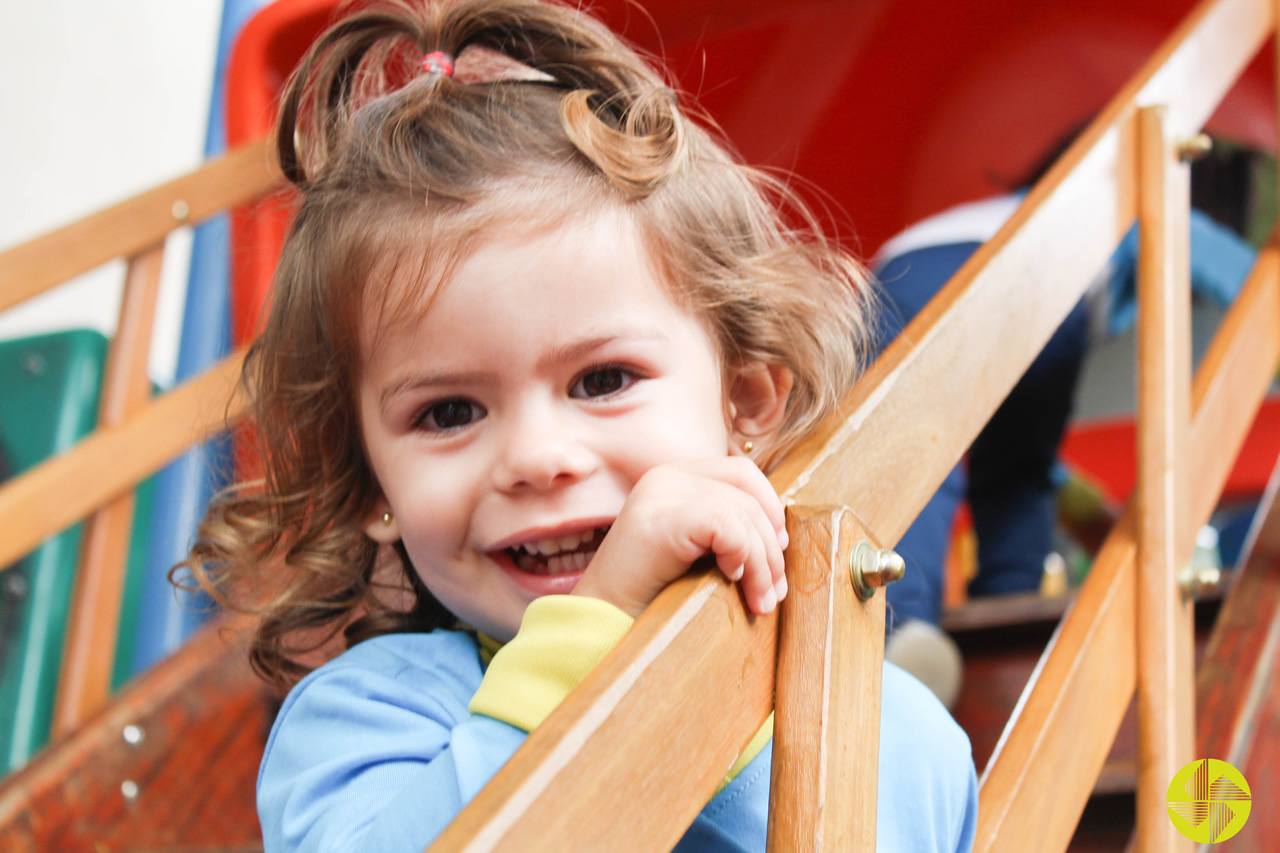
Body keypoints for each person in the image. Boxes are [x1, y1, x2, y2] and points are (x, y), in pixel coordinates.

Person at [180, 1, 978, 851]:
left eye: (602, 380)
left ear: (745, 401)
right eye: (448, 412)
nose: (535, 457)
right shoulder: (367, 725)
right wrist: (600, 623)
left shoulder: (902, 733)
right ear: (372, 482)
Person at [876, 169, 1257, 709]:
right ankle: (1004, 621)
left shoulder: (1016, 210)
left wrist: (1075, 497)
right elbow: (1232, 269)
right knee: (1012, 481)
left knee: (908, 452)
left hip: (898, 274)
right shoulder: (1123, 191)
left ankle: (904, 627)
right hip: (1036, 274)